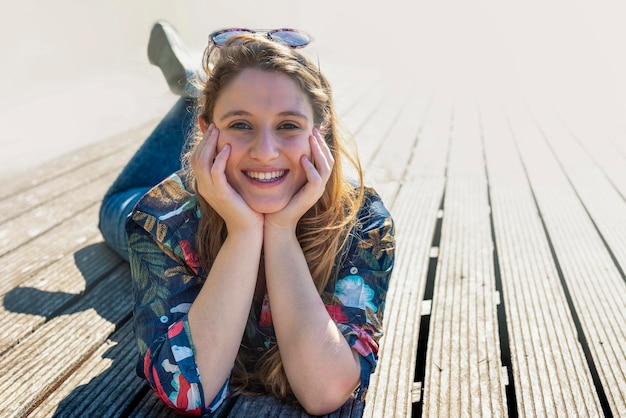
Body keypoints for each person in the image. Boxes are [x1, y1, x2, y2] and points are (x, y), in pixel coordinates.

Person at [99, 22, 396, 417]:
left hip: (230, 172)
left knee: (243, 125)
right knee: (115, 208)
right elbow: (189, 392)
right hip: (158, 201)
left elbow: (326, 392)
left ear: (319, 132)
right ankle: (194, 87)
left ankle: (203, 88)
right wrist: (242, 232)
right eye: (241, 124)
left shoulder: (363, 224)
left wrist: (281, 230)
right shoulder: (160, 217)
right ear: (208, 132)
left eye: (288, 125)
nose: (265, 151)